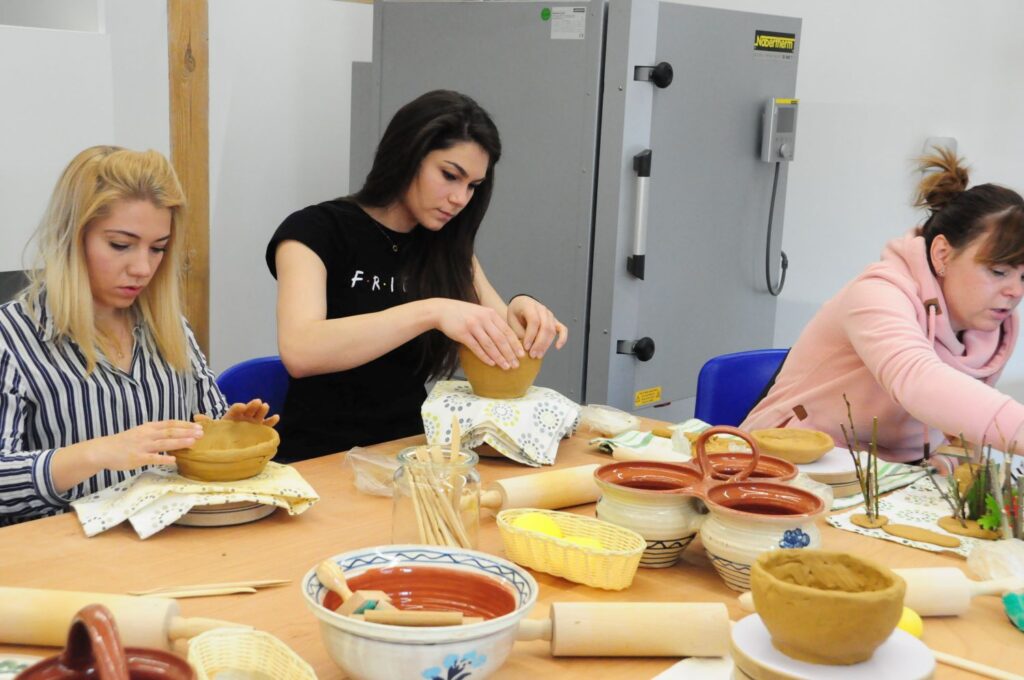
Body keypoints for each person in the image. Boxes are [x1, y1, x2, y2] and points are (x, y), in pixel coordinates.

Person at [267, 90, 568, 460]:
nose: (460, 198)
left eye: (472, 186)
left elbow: (501, 343)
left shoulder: (447, 248)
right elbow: (301, 349)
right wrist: (431, 311)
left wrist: (522, 309)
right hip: (319, 457)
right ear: (407, 155)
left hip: (411, 453)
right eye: (449, 175)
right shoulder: (314, 231)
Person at [0, 146, 277, 526]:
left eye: (158, 248)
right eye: (120, 245)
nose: (142, 268)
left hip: (173, 540)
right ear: (71, 237)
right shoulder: (13, 340)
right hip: (67, 556)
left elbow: (205, 422)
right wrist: (96, 453)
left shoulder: (170, 327)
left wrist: (225, 433)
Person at [743, 149, 1024, 467]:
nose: (1015, 291)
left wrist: (943, 463)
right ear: (943, 254)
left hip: (889, 477)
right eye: (998, 272)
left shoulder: (994, 327)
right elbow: (918, 381)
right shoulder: (876, 294)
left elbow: (961, 428)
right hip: (792, 460)